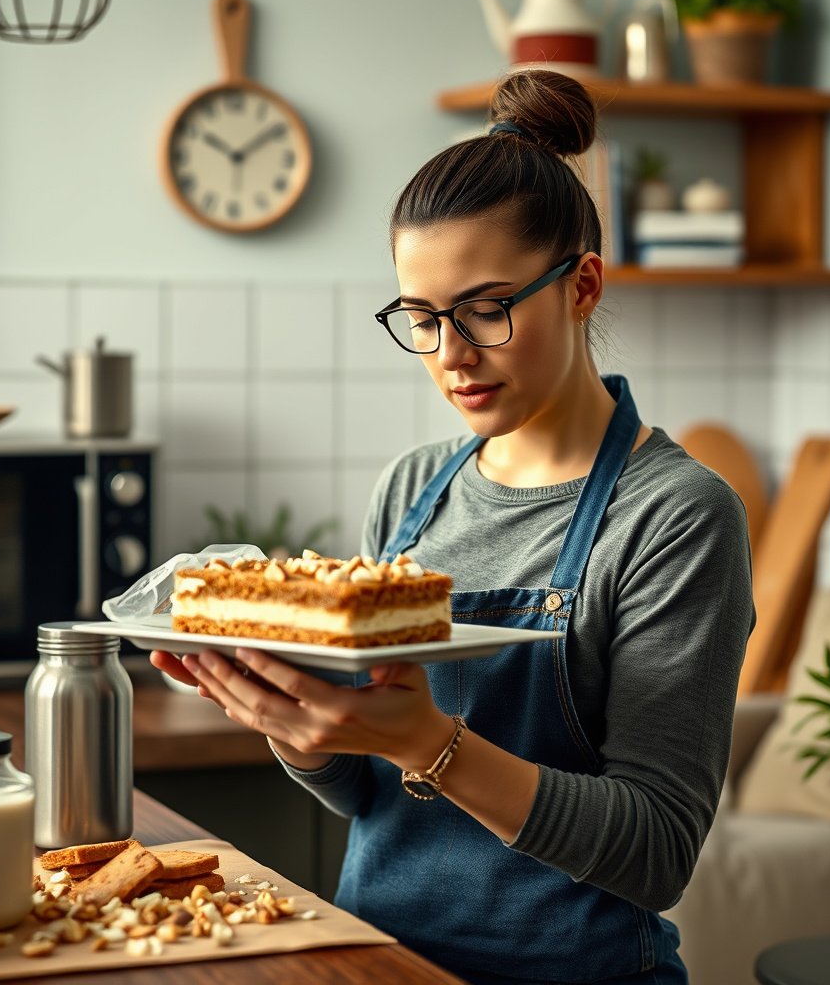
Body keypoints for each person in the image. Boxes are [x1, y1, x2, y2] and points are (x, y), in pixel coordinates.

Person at [152, 68, 754, 985]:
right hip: (385, 961)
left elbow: (658, 852)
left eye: (486, 309)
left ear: (582, 284)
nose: (452, 356)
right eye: (423, 318)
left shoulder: (674, 515)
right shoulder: (412, 489)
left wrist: (423, 740)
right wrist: (297, 727)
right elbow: (367, 797)